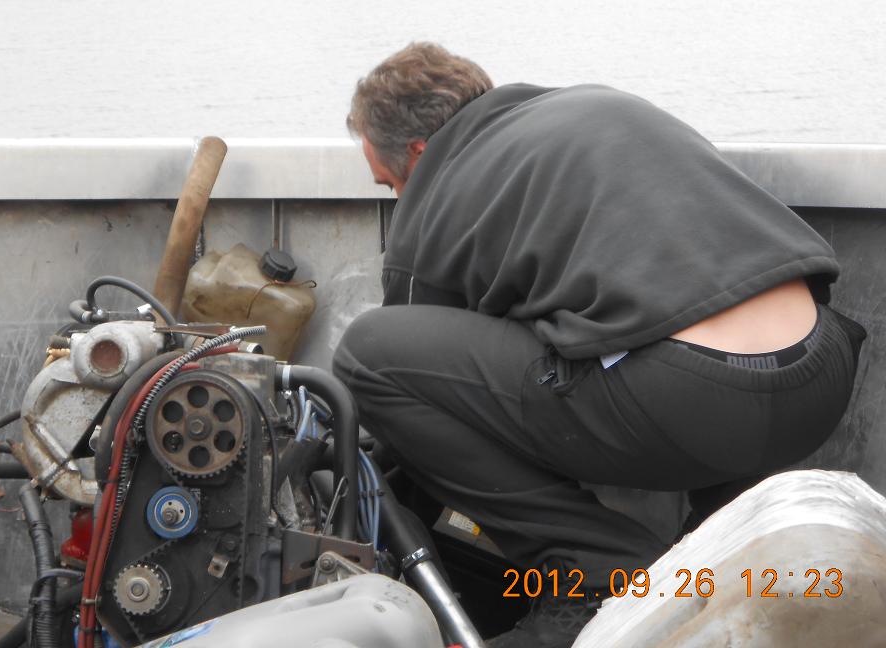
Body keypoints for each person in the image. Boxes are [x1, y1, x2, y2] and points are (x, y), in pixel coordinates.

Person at [332, 42, 866, 647]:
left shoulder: (441, 185)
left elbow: (410, 388)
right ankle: (706, 562)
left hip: (688, 398)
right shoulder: (593, 109)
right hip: (820, 373)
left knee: (367, 355)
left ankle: (594, 574)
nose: (400, 200)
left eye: (390, 184)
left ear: (418, 153)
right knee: (644, 330)